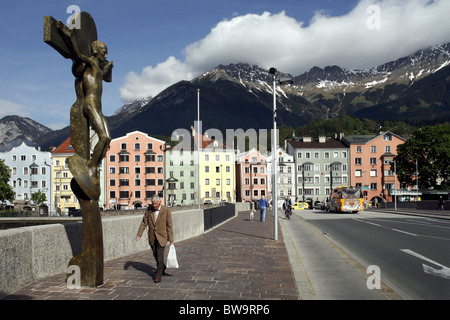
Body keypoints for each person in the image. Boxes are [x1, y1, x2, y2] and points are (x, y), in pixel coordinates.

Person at [136, 195, 174, 283]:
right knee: (155, 254)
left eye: (156, 204)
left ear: (160, 202)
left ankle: (158, 275)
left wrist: (171, 239)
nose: (154, 205)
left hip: (162, 236)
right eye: (153, 204)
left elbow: (169, 225)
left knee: (160, 256)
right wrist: (139, 234)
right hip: (152, 237)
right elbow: (144, 222)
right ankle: (162, 267)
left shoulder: (166, 210)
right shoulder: (149, 210)